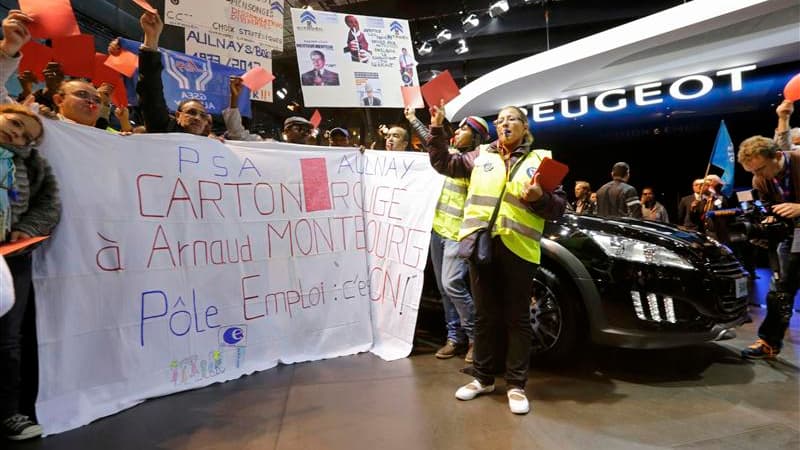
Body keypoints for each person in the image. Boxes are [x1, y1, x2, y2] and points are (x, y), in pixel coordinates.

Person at [427, 102, 566, 414]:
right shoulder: (481, 156)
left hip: (519, 247)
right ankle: (483, 377)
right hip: (480, 245)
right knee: (484, 315)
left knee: (517, 318)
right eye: (501, 119)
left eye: (513, 119)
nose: (505, 123)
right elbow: (444, 164)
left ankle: (516, 385)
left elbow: (558, 207)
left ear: (524, 127)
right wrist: (436, 129)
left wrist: (540, 198)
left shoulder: (540, 160)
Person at [407, 107, 490, 363]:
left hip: (459, 233)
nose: (459, 133)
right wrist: (413, 119)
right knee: (444, 289)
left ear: (477, 137)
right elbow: (434, 142)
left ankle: (476, 337)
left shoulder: (478, 163)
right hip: (438, 230)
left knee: (452, 284)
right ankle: (454, 338)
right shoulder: (451, 156)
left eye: (465, 129)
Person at [0, 103, 61, 441]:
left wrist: (28, 228)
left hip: (11, 259)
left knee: (8, 339)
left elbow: (49, 203)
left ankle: (8, 413)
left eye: (27, 135)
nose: (17, 133)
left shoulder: (34, 165)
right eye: (14, 123)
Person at [737, 135, 800, 359]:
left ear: (777, 156)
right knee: (780, 291)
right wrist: (771, 217)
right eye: (752, 171)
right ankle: (769, 342)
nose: (757, 176)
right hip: (793, 235)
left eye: (761, 169)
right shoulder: (759, 180)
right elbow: (769, 207)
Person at [136, 10, 213, 136]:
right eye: (191, 112)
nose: (197, 118)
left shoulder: (214, 147)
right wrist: (151, 38)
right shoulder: (163, 128)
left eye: (203, 116)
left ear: (206, 124)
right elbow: (150, 90)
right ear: (178, 115)